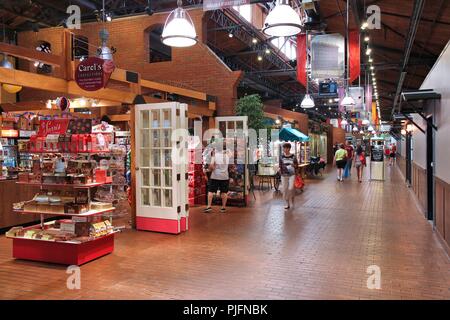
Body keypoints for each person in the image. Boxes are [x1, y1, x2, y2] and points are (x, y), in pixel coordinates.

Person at [204, 145, 231, 213]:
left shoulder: (215, 156)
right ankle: (223, 208)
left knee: (210, 191)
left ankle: (209, 207)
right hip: (225, 176)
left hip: (215, 176)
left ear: (216, 149)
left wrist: (208, 170)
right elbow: (230, 153)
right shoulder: (227, 156)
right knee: (224, 192)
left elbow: (211, 167)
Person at [279, 143, 298, 210]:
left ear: (289, 148)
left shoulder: (293, 156)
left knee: (291, 188)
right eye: (284, 148)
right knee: (285, 189)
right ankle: (287, 203)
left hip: (292, 174)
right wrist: (280, 171)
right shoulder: (281, 156)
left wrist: (294, 165)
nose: (285, 149)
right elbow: (280, 165)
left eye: (287, 148)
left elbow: (297, 165)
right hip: (284, 175)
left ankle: (292, 198)